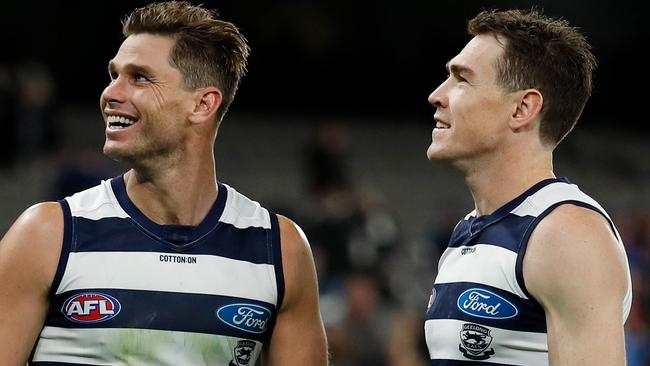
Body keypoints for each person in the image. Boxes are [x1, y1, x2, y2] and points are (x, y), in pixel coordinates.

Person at [0, 2, 328, 365]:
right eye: (114, 74)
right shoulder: (48, 235)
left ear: (203, 105)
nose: (111, 94)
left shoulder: (279, 250)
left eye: (139, 77)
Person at [423, 8, 632, 366]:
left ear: (522, 108)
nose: (436, 95)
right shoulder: (469, 231)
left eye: (462, 79)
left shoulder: (564, 233)